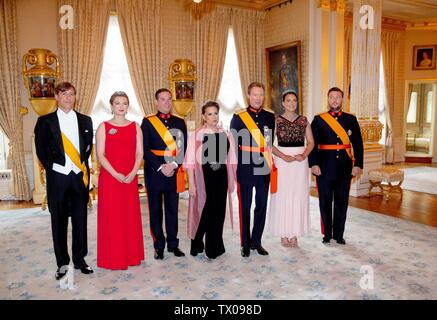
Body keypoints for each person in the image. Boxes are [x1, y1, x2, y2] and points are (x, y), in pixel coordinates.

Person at [34, 82, 94, 280]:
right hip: (58, 177)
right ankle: (62, 263)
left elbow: (87, 150)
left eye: (71, 94)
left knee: (80, 220)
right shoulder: (44, 121)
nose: (68, 97)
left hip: (78, 177)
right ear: (56, 97)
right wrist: (53, 167)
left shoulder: (86, 120)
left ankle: (79, 259)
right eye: (64, 94)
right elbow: (41, 149)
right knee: (58, 221)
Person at [308, 87, 364, 245]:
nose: (334, 100)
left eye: (338, 97)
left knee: (341, 202)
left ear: (343, 100)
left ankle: (339, 234)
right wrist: (313, 164)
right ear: (328, 99)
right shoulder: (319, 119)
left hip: (344, 168)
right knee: (325, 202)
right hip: (324, 167)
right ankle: (327, 233)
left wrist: (358, 164)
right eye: (331, 97)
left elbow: (358, 144)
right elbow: (312, 143)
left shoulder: (351, 119)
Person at [96, 91, 144, 270]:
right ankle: (114, 257)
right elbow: (100, 155)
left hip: (130, 177)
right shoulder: (103, 127)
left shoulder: (135, 126)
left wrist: (133, 172)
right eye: (118, 103)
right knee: (113, 218)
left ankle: (132, 256)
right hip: (110, 179)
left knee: (129, 217)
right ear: (112, 106)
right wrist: (116, 174)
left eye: (124, 103)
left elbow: (139, 153)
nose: (121, 106)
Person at [184, 101, 237, 259]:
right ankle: (198, 239)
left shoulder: (226, 134)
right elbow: (189, 162)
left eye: (215, 113)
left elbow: (231, 158)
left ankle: (216, 247)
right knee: (208, 209)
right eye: (209, 114)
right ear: (203, 116)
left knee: (219, 211)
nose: (213, 117)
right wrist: (191, 184)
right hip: (206, 176)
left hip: (221, 174)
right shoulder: (197, 135)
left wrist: (231, 179)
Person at [141, 88, 187, 260]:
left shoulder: (180, 122)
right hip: (155, 172)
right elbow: (144, 149)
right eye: (163, 99)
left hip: (173, 171)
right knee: (155, 210)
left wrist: (174, 165)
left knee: (172, 210)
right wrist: (161, 167)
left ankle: (173, 244)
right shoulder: (148, 122)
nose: (167, 102)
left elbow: (183, 148)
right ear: (156, 102)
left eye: (169, 99)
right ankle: (158, 246)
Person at [230, 82, 276, 257]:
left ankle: (257, 241)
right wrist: (235, 168)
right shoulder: (238, 117)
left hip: (263, 166)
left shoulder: (270, 117)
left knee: (262, 205)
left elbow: (269, 143)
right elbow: (233, 145)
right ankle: (245, 243)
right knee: (245, 206)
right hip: (245, 166)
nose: (258, 98)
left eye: (261, 95)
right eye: (254, 95)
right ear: (248, 96)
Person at [268, 90, 314, 248]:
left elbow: (311, 142)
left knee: (297, 196)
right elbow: (268, 144)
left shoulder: (304, 121)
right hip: (282, 162)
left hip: (300, 162)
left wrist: (304, 154)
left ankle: (294, 233)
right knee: (283, 195)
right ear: (283, 103)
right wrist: (282, 156)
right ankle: (283, 233)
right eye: (288, 100)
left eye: (294, 100)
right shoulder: (275, 121)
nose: (292, 103)